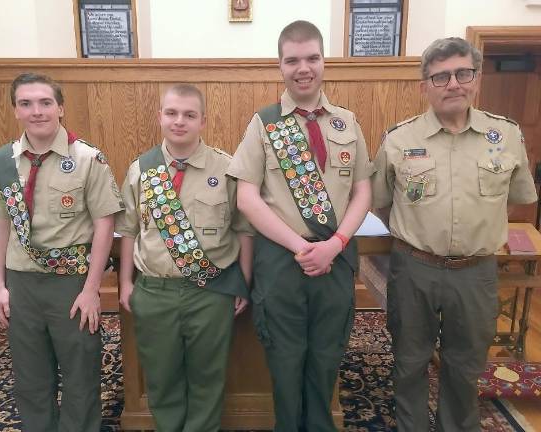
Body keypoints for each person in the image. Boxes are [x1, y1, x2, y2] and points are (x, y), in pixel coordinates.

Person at [372, 37, 538, 431]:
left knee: (465, 368)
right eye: (441, 76)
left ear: (476, 79)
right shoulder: (400, 139)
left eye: (463, 73)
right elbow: (381, 203)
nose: (453, 84)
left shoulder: (506, 135)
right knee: (410, 363)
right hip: (415, 268)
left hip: (476, 271)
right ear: (424, 85)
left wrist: (475, 235)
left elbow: (514, 201)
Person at [227, 20, 373, 432]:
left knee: (326, 359)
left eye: (312, 57)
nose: (303, 68)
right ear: (280, 66)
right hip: (282, 261)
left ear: (324, 61)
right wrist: (300, 246)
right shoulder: (264, 123)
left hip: (336, 258)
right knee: (285, 362)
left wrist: (336, 243)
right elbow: (247, 198)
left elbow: (363, 191)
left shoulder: (348, 122)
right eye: (292, 60)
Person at [0, 72, 124, 431]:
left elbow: (105, 224)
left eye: (45, 103)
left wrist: (92, 290)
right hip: (22, 281)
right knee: (30, 374)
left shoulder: (88, 158)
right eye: (26, 103)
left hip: (71, 282)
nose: (36, 111)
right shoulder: (2, 162)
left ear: (60, 107)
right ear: (15, 110)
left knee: (79, 369)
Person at [116, 84, 253, 432]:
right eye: (172, 113)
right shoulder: (140, 170)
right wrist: (125, 285)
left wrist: (245, 281)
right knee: (161, 378)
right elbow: (129, 230)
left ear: (203, 120)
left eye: (189, 115)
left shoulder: (226, 168)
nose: (180, 121)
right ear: (160, 116)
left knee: (208, 377)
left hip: (211, 291)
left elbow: (244, 228)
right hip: (155, 291)